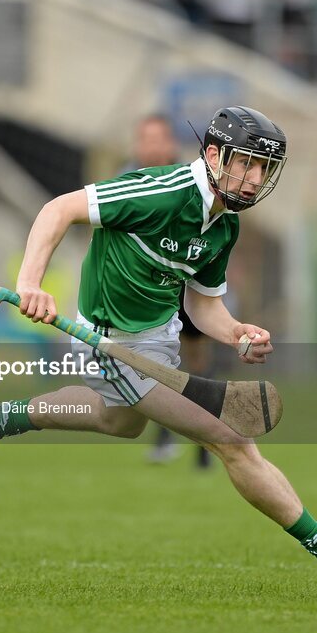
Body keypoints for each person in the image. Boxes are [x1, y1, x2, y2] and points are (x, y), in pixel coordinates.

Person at [0, 106, 317, 585]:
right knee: (232, 439)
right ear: (215, 156)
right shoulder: (160, 192)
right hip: (108, 340)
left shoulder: (224, 225)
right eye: (247, 163)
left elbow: (202, 308)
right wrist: (30, 283)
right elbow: (59, 209)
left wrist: (238, 331)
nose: (255, 179)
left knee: (120, 422)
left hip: (160, 339)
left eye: (264, 169)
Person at [125, 114, 213, 469]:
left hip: (183, 283)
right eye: (145, 138)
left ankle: (205, 440)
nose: (152, 145)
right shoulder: (126, 180)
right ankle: (164, 436)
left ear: (170, 143)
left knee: (196, 360)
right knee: (152, 363)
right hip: (146, 288)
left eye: (158, 137)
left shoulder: (190, 181)